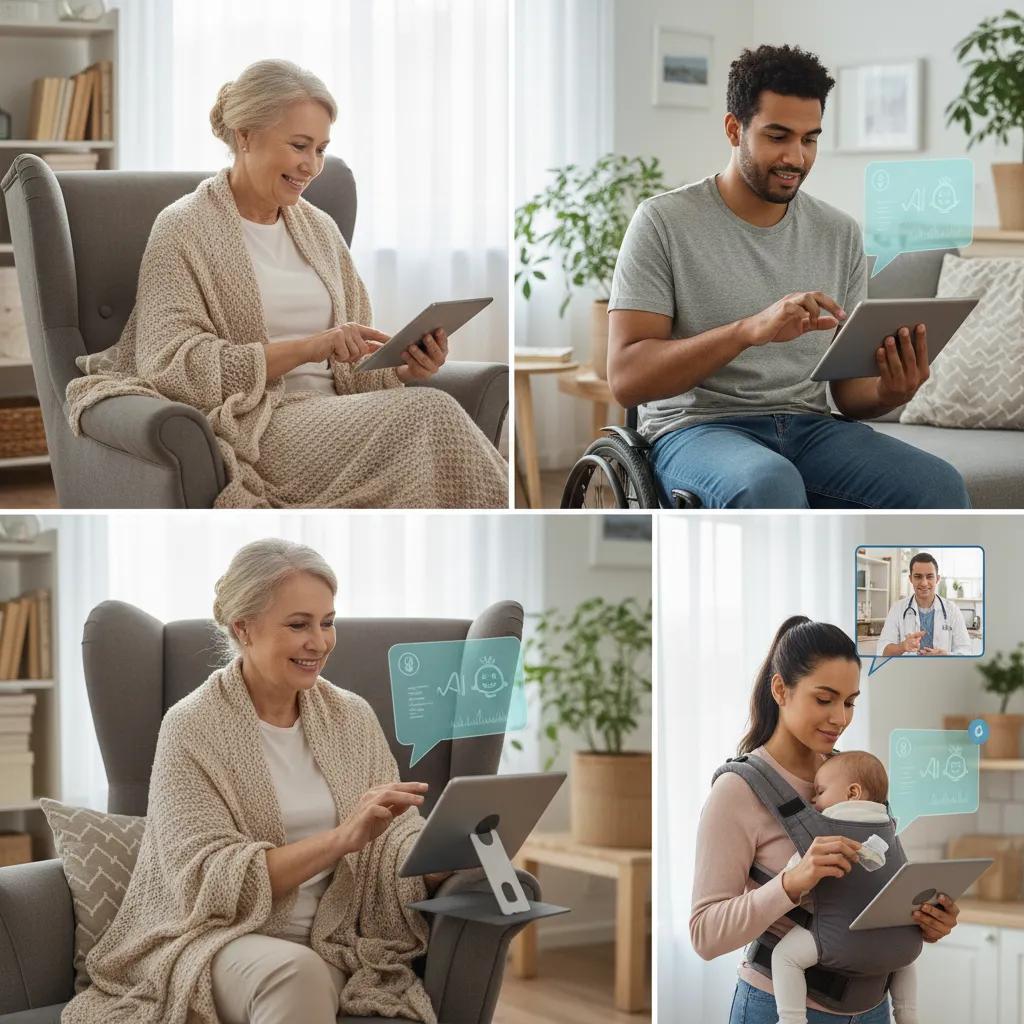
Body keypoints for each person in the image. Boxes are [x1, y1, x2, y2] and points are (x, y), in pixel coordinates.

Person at [65, 58, 508, 510]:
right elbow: (174, 366)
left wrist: (401, 369)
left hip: (338, 415)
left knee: (426, 406)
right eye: (299, 145)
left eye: (320, 149)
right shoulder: (183, 229)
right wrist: (309, 347)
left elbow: (351, 369)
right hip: (261, 422)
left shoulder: (320, 229)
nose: (312, 166)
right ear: (246, 136)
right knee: (428, 413)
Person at [62, 539, 450, 1024]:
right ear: (242, 628)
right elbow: (208, 881)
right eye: (298, 624)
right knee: (294, 974)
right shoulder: (192, 727)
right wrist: (338, 840)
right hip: (218, 941)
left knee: (305, 970)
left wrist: (440, 858)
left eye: (327, 622)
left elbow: (391, 839)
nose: (320, 642)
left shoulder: (352, 717)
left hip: (335, 942)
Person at [606, 44, 971, 510]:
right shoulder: (663, 222)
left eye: (809, 139)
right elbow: (627, 378)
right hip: (696, 430)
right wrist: (746, 332)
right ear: (734, 129)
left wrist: (890, 390)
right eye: (778, 136)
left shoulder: (838, 233)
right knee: (769, 483)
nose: (796, 158)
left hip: (810, 428)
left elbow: (850, 395)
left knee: (938, 485)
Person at [690, 615, 961, 1024]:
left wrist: (925, 920)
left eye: (850, 702)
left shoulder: (851, 778)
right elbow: (705, 935)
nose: (840, 718)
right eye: (825, 699)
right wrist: (790, 883)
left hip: (874, 1008)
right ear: (781, 690)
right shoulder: (737, 792)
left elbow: (873, 888)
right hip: (780, 1008)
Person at [771, 751, 918, 1024]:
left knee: (784, 957)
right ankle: (908, 1015)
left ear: (852, 793)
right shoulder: (892, 832)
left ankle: (791, 1019)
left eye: (820, 791)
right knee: (904, 958)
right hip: (891, 940)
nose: (814, 801)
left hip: (836, 939)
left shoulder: (823, 832)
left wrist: (791, 876)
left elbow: (796, 874)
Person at [877, 552, 973, 656]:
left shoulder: (952, 610)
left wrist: (946, 655)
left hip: (943, 670)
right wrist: (902, 646)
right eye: (918, 577)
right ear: (911, 579)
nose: (924, 583)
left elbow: (966, 651)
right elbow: (882, 651)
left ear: (937, 579)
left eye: (929, 577)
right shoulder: (897, 609)